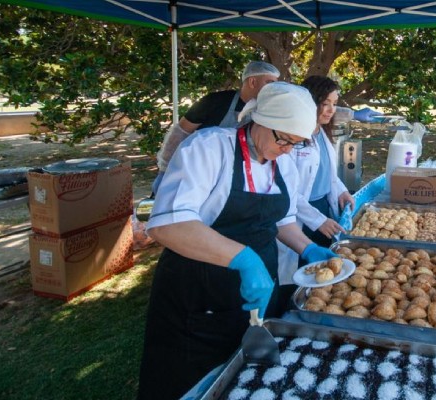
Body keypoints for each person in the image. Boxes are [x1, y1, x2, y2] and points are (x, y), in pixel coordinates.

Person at [137, 82, 337, 400]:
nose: (287, 149)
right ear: (261, 121)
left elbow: (281, 220)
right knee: (187, 380)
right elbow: (168, 225)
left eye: (296, 143)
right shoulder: (208, 148)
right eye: (283, 139)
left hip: (256, 293)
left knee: (246, 381)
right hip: (199, 295)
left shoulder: (283, 161)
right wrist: (244, 259)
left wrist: (307, 248)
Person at [275, 76, 356, 295]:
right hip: (299, 213)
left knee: (322, 273)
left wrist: (342, 190)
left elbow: (327, 172)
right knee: (301, 272)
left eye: (334, 103)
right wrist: (317, 220)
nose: (331, 110)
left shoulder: (322, 132)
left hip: (323, 209)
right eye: (325, 103)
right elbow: (287, 189)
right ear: (311, 101)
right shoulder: (293, 136)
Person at [152, 61, 281, 193]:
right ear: (252, 82)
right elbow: (180, 134)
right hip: (200, 171)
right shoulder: (214, 102)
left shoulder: (266, 111)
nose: (273, 89)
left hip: (238, 176)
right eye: (269, 83)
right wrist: (166, 169)